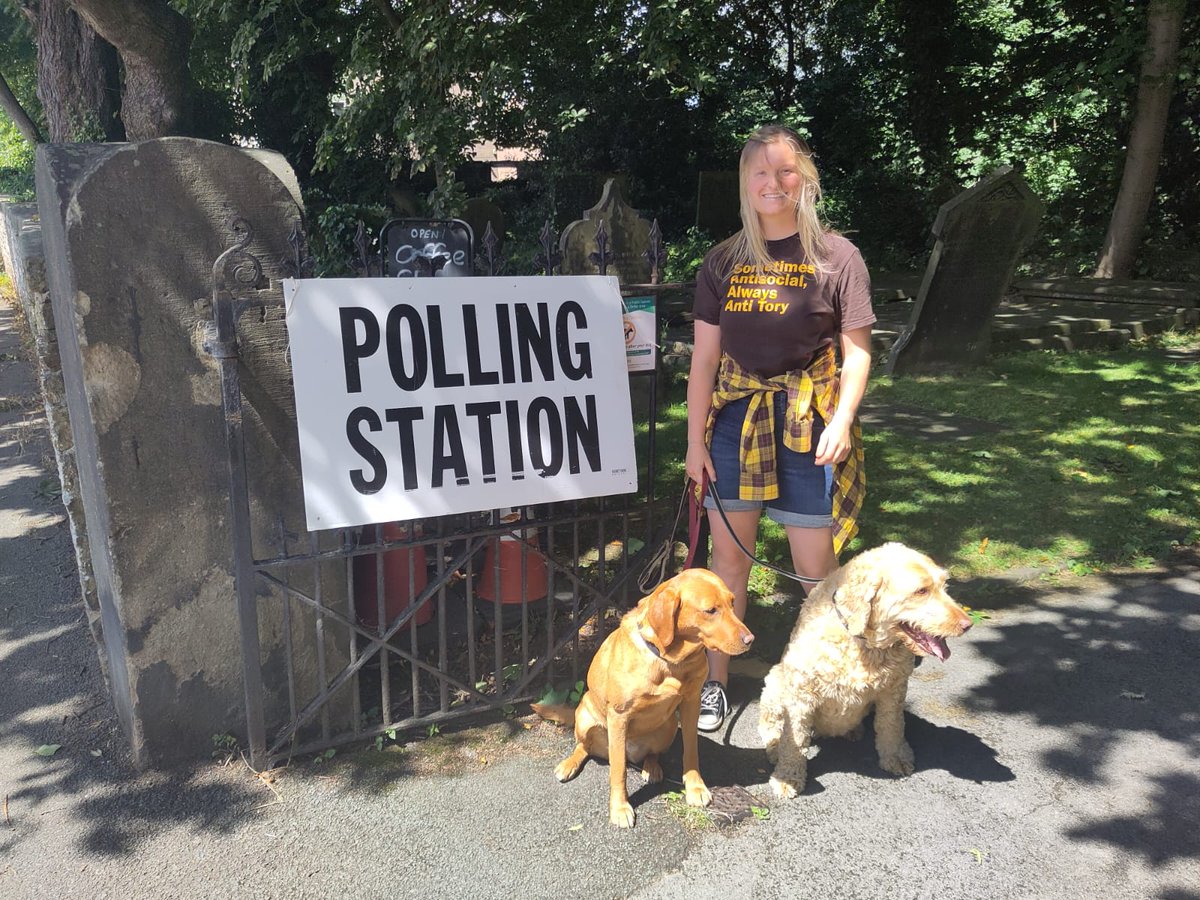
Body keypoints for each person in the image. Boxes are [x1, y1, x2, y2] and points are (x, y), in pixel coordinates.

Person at [684, 125, 875, 732]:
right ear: (746, 183)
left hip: (807, 424)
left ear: (805, 178)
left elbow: (858, 352)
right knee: (728, 566)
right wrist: (693, 442)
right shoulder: (723, 261)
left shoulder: (837, 257)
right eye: (760, 173)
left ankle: (823, 685)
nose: (773, 183)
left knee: (815, 570)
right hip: (734, 425)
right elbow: (705, 361)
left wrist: (842, 419)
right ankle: (715, 683)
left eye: (785, 171)